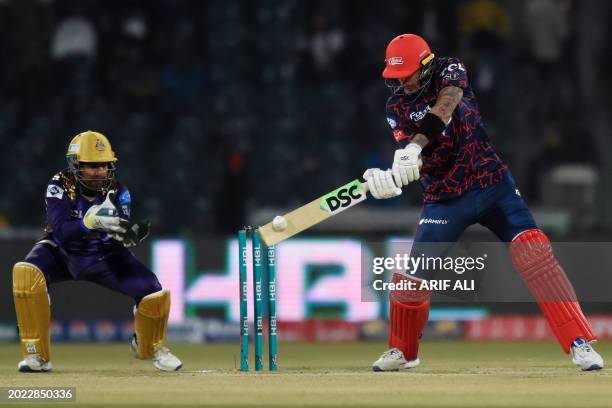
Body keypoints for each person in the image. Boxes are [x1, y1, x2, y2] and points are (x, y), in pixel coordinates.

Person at [362, 34, 603, 371]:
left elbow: (446, 106)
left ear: (428, 66)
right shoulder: (396, 107)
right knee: (410, 279)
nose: (402, 81)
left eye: (408, 73)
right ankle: (403, 352)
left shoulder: (450, 70)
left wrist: (414, 146)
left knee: (534, 253)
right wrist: (395, 174)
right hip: (444, 199)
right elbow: (416, 161)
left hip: (492, 185)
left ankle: (580, 343)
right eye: (395, 76)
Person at [12, 130, 182, 372]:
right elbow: (59, 232)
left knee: (154, 293)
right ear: (75, 165)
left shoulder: (119, 192)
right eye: (91, 166)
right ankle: (38, 356)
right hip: (61, 253)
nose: (99, 172)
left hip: (102, 254)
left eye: (104, 165)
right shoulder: (60, 184)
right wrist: (88, 223)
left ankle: (151, 346)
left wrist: (127, 232)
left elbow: (118, 235)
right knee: (26, 274)